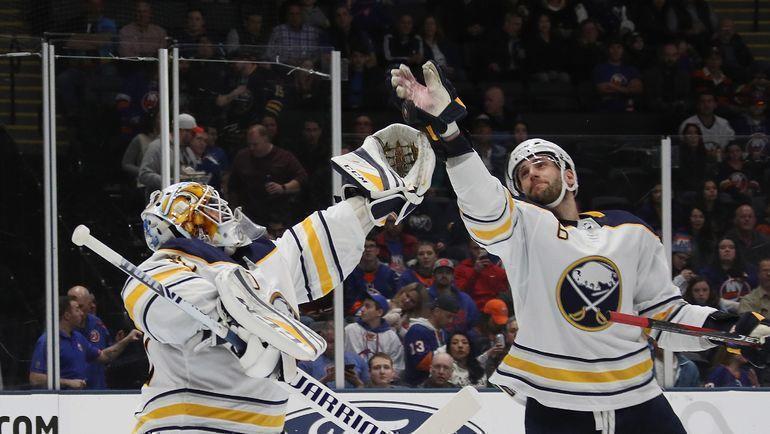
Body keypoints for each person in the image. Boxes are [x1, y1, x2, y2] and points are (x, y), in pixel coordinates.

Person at [389, 59, 770, 433]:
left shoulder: (627, 229)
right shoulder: (523, 229)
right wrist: (452, 135)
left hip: (638, 402)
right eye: (522, 173)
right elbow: (485, 204)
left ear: (569, 175)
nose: (532, 173)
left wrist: (730, 329)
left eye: (541, 163)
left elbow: (664, 315)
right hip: (556, 406)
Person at [29, 296, 141, 389]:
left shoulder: (78, 338)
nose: (82, 313)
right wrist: (68, 382)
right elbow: (35, 378)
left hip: (82, 400)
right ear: (67, 315)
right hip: (61, 403)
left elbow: (104, 356)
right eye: (77, 309)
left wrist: (127, 339)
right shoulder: (47, 341)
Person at [227, 124, 307, 225]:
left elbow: (302, 177)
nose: (252, 148)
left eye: (255, 144)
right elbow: (232, 186)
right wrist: (233, 211)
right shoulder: (242, 157)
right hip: (249, 213)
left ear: (266, 140)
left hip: (277, 214)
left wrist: (283, 188)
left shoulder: (283, 157)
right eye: (249, 144)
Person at [403, 293, 458, 386]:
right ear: (436, 311)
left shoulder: (443, 332)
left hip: (438, 385)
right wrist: (449, 349)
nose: (450, 321)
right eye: (448, 316)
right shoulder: (417, 330)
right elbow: (421, 363)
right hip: (416, 387)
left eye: (453, 317)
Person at [344, 291, 405, 373]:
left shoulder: (391, 337)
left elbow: (397, 367)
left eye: (367, 306)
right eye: (363, 305)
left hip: (382, 383)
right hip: (352, 381)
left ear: (379, 312)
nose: (362, 309)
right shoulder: (350, 330)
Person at [299, 320, 369, 389]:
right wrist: (325, 380)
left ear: (343, 340)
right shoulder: (307, 362)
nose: (330, 346)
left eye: (334, 342)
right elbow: (300, 392)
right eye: (328, 341)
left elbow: (370, 391)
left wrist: (357, 382)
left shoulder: (357, 359)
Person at [66, 285, 112, 389]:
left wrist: (121, 342)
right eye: (76, 307)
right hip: (73, 392)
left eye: (81, 306)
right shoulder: (62, 331)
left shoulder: (96, 323)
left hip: (98, 387)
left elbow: (106, 355)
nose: (80, 311)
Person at [343, 237, 400, 314]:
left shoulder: (390, 273)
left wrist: (382, 303)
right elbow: (348, 301)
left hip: (385, 314)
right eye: (364, 246)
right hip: (356, 316)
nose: (368, 250)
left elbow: (395, 299)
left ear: (377, 250)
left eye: (371, 246)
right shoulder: (350, 273)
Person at [428, 259, 480, 335]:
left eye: (448, 273)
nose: (444, 275)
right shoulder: (425, 296)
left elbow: (474, 326)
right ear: (434, 275)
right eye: (440, 272)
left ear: (453, 276)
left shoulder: (465, 299)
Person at [455, 240, 509, 309]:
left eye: (482, 248)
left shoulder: (498, 271)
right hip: (472, 308)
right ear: (469, 249)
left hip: (493, 309)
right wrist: (475, 273)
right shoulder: (461, 269)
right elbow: (461, 293)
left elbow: (503, 293)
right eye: (476, 248)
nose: (480, 252)